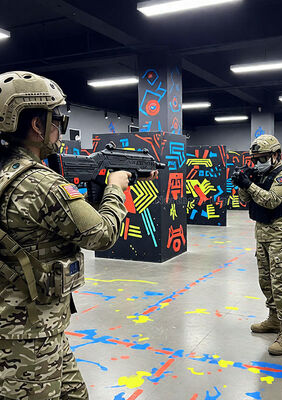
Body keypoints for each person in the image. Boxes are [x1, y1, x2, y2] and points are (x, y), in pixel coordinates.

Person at [0, 71, 157, 400]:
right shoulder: (43, 184)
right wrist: (115, 188)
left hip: (30, 323)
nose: (60, 128)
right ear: (37, 125)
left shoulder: (9, 171)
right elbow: (102, 234)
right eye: (58, 120)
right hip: (29, 337)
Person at [233, 135, 282, 356]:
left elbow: (271, 201)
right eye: (255, 159)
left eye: (262, 158)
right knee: (266, 280)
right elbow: (244, 200)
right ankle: (273, 318)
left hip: (280, 235)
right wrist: (242, 182)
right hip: (261, 234)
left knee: (280, 283)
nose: (258, 162)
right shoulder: (259, 174)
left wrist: (249, 184)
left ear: (276, 155)